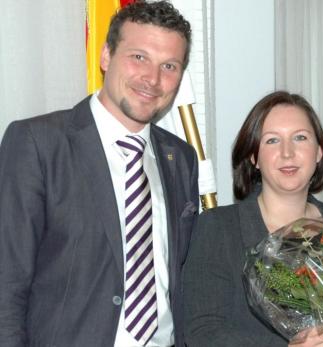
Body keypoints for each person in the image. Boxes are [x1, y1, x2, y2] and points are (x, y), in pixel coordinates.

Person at [0, 1, 199, 346]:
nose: (152, 79)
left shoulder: (180, 158)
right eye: (138, 57)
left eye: (169, 65)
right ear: (106, 56)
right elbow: (6, 281)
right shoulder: (38, 144)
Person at [183, 91, 323, 346]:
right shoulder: (218, 229)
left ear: (318, 152)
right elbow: (202, 332)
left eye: (300, 138)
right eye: (272, 141)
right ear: (253, 157)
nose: (287, 153)